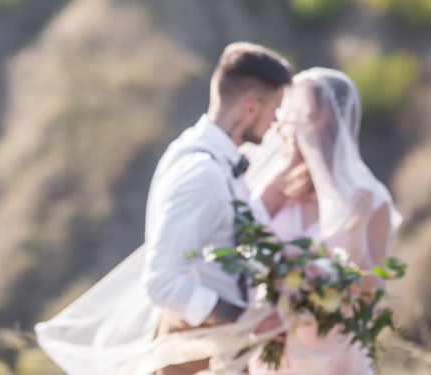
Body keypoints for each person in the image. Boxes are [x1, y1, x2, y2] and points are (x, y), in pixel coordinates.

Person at [36, 42, 296, 375]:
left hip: (218, 347)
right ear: (249, 109)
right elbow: (162, 280)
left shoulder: (216, 161)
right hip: (193, 350)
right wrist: (239, 319)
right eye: (275, 108)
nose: (276, 121)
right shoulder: (202, 173)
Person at [244, 68, 402, 375]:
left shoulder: (370, 198)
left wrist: (354, 235)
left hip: (335, 355)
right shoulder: (281, 185)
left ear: (324, 120)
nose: (283, 122)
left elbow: (372, 293)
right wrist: (290, 161)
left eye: (296, 114)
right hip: (274, 347)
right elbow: (245, 232)